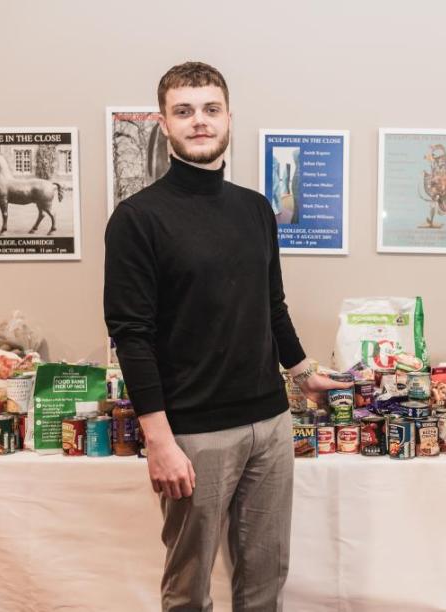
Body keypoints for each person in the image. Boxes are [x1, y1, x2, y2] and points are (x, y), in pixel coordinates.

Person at [104, 61, 348, 612]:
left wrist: (305, 375)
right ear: (164, 123)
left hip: (271, 424)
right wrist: (159, 441)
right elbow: (131, 336)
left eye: (210, 110)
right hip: (194, 434)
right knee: (189, 589)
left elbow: (272, 307)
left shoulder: (255, 209)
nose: (199, 122)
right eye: (184, 111)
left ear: (229, 118)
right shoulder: (137, 219)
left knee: (266, 580)